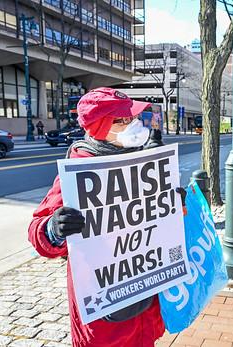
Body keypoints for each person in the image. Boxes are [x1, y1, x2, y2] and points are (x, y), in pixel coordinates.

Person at [28, 88, 168, 347]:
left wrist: (171, 204)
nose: (134, 124)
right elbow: (38, 231)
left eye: (132, 118)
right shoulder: (80, 171)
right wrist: (54, 229)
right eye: (123, 120)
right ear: (101, 127)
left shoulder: (141, 159)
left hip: (143, 301)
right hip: (107, 314)